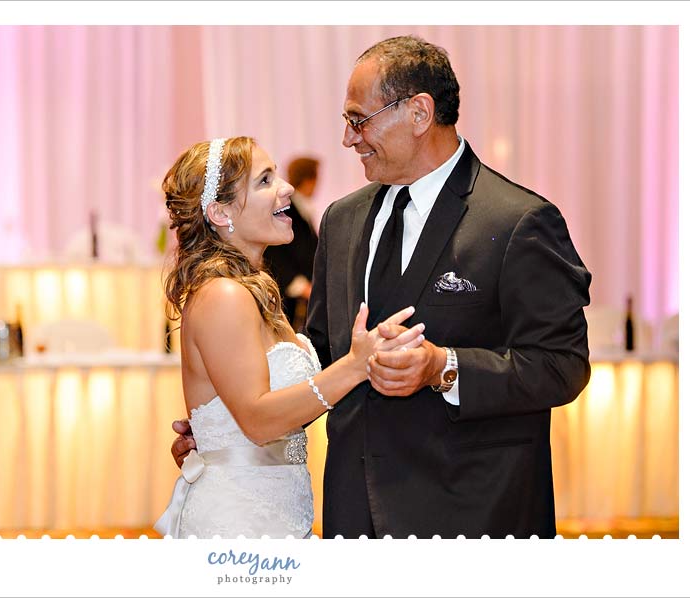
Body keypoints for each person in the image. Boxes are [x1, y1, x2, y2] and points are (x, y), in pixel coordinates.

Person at [171, 36, 592, 539]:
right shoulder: (344, 220)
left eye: (358, 119)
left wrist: (445, 368)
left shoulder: (518, 220)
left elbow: (562, 365)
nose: (348, 139)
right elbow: (326, 354)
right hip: (354, 513)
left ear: (418, 113)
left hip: (474, 511)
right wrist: (230, 428)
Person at [154, 136, 423, 538]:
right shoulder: (224, 295)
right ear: (220, 212)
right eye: (264, 180)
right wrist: (354, 365)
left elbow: (274, 406)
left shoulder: (255, 288)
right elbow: (259, 422)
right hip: (239, 522)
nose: (287, 188)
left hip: (279, 511)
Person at [261, 157, 320, 332]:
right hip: (290, 294)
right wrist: (300, 285)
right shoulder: (286, 207)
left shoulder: (302, 206)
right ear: (310, 180)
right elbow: (275, 250)